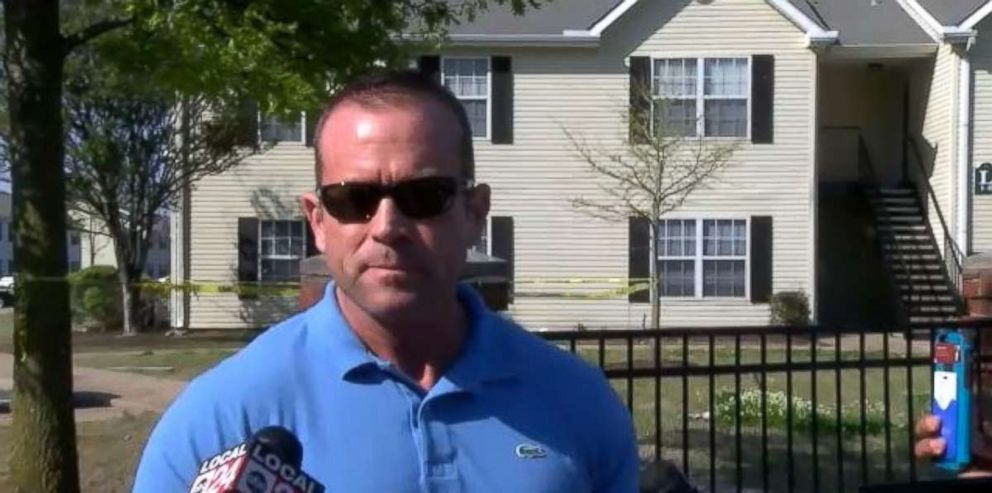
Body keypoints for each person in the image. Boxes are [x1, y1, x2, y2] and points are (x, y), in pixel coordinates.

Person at [132, 70, 639, 492]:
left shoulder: (577, 401)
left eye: (425, 196)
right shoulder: (221, 417)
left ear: (474, 212)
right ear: (317, 221)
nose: (387, 226)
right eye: (354, 200)